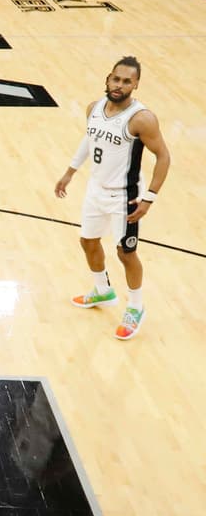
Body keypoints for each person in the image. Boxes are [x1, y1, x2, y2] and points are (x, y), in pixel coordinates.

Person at [54, 56, 171, 341]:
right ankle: (103, 290)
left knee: (125, 253)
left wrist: (149, 198)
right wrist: (70, 172)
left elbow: (163, 157)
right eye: (116, 79)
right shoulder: (93, 108)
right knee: (88, 241)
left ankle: (135, 307)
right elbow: (90, 139)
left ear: (136, 85)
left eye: (127, 81)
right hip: (96, 189)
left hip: (125, 197)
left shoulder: (142, 118)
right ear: (108, 78)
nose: (120, 85)